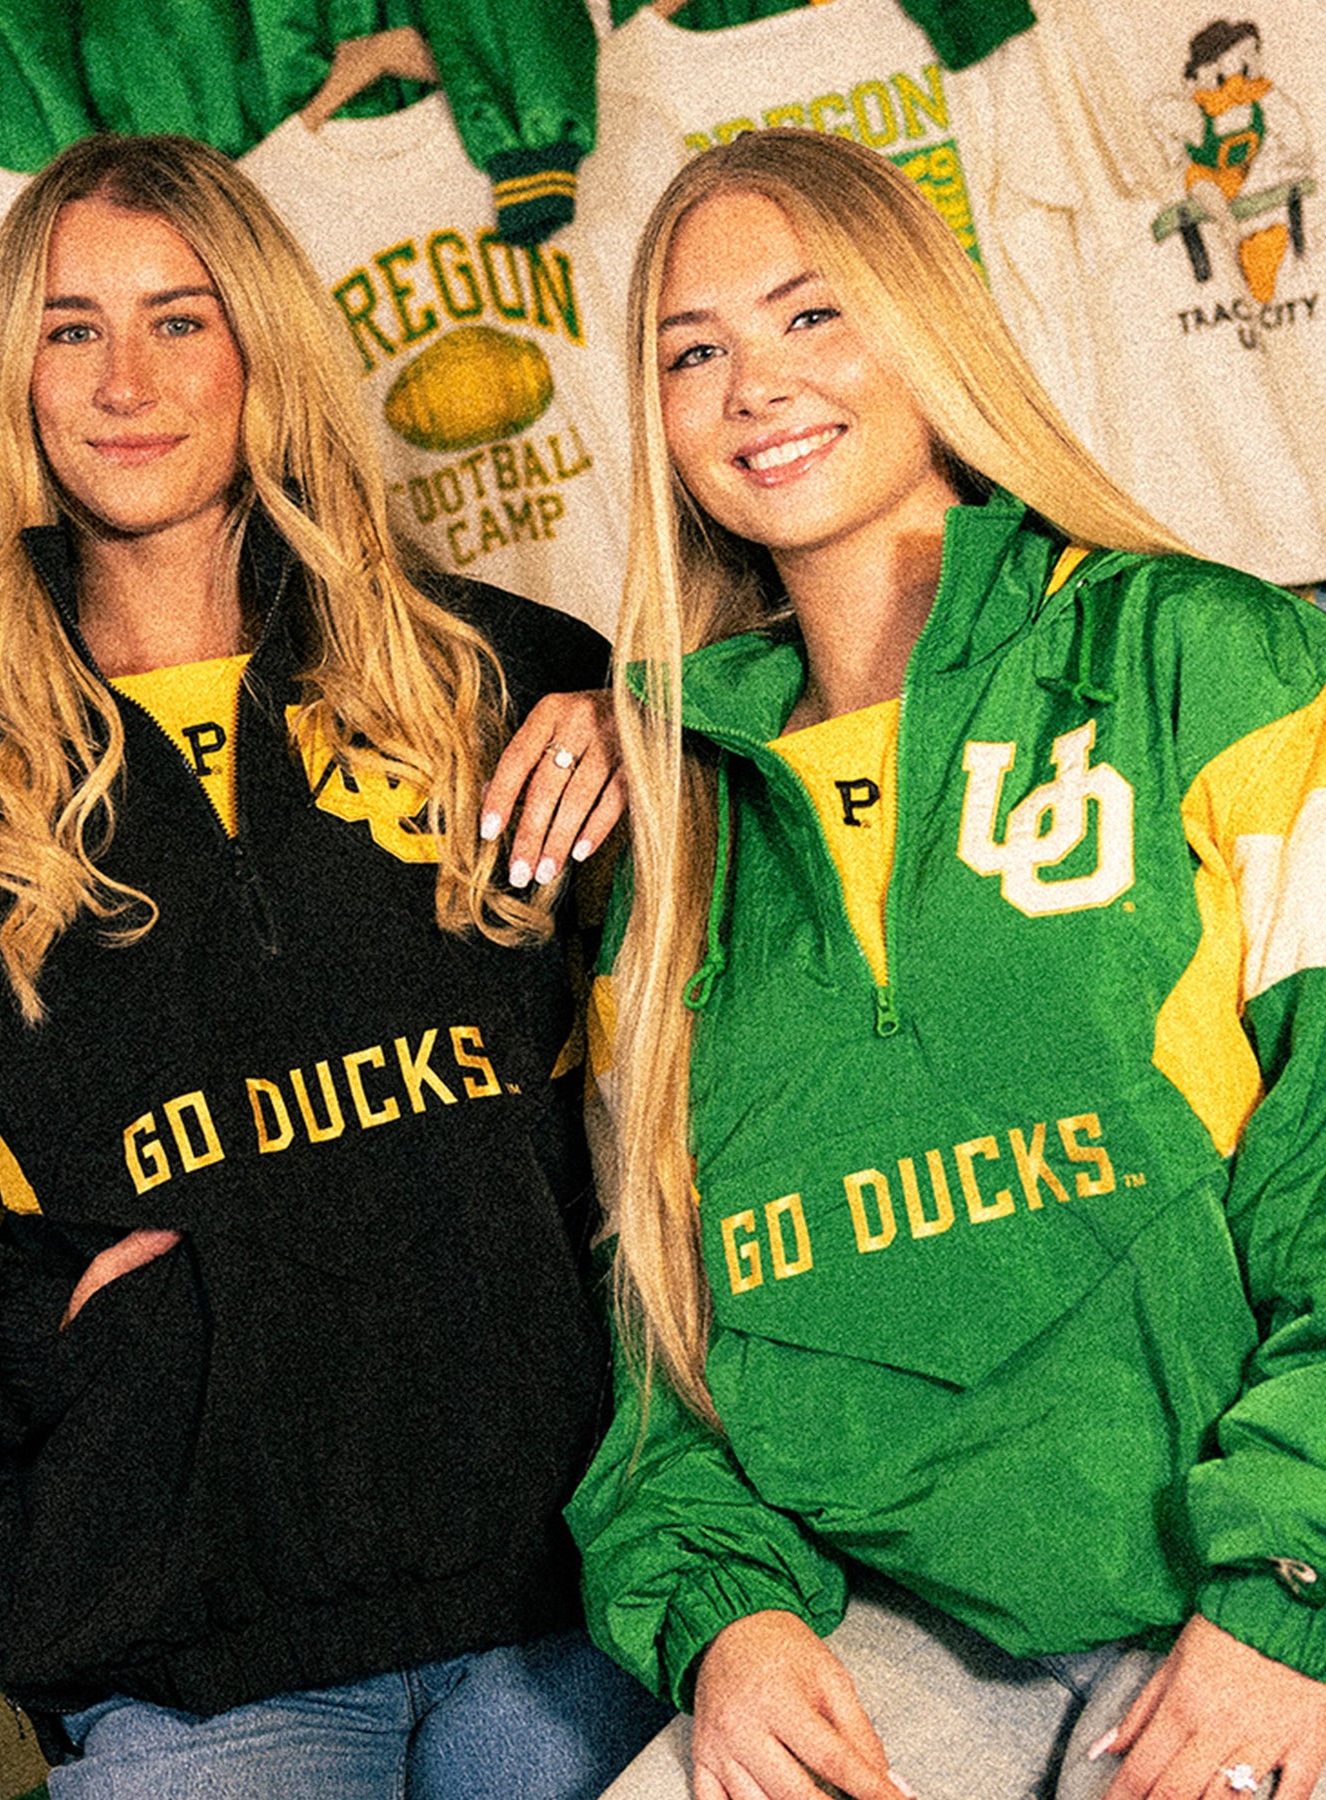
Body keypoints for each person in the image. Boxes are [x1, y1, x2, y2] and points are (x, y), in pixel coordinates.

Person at [0, 133, 670, 1798]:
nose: (126, 381)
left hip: (562, 1606)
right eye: (72, 328)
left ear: (265, 344)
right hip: (191, 1666)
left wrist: (658, 733)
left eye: (180, 318)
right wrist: (43, 1333)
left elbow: (700, 1108)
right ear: (12, 372)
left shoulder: (510, 680)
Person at [564, 128, 1326, 1800]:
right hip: (889, 1631)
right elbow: (658, 1326)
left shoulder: (1199, 653)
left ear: (926, 326)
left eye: (811, 315)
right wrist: (727, 1621)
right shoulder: (672, 827)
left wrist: (1293, 1591)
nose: (756, 386)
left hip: (1250, 1587)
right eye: (694, 353)